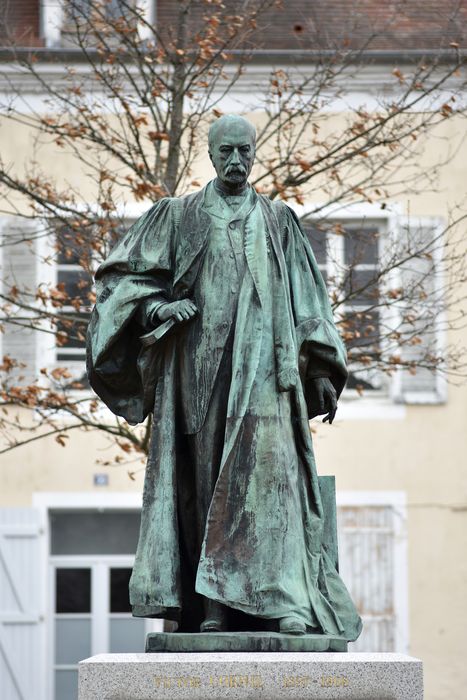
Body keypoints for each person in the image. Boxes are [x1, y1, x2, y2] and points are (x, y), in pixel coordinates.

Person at [87, 114, 362, 640]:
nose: (236, 162)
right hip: (200, 375)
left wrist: (322, 370)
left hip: (265, 376)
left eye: (244, 151)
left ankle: (287, 604)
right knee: (208, 486)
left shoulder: (280, 221)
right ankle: (213, 606)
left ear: (255, 153)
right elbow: (119, 286)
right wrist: (158, 310)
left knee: (273, 484)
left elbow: (309, 301)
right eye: (226, 152)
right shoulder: (178, 216)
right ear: (209, 156)